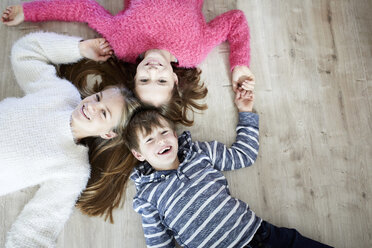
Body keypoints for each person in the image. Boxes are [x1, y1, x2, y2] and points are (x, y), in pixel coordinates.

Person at [123, 94, 333, 247]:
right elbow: (160, 244)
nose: (160, 141)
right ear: (139, 154)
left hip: (261, 236)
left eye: (164, 132)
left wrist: (246, 112)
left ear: (175, 136)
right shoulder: (147, 196)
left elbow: (244, 155)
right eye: (149, 140)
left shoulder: (199, 153)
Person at [1, 0, 254, 125]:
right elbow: (235, 20)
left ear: (134, 77)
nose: (153, 71)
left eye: (145, 80)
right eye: (162, 80)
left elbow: (85, 10)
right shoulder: (195, 50)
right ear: (175, 79)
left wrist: (30, 11)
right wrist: (240, 65)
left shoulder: (122, 44)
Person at [0, 31, 139, 247]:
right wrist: (80, 48)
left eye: (103, 113)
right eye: (98, 97)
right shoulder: (62, 93)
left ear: (108, 133)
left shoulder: (73, 169)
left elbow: (38, 226)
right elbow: (25, 52)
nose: (92, 106)